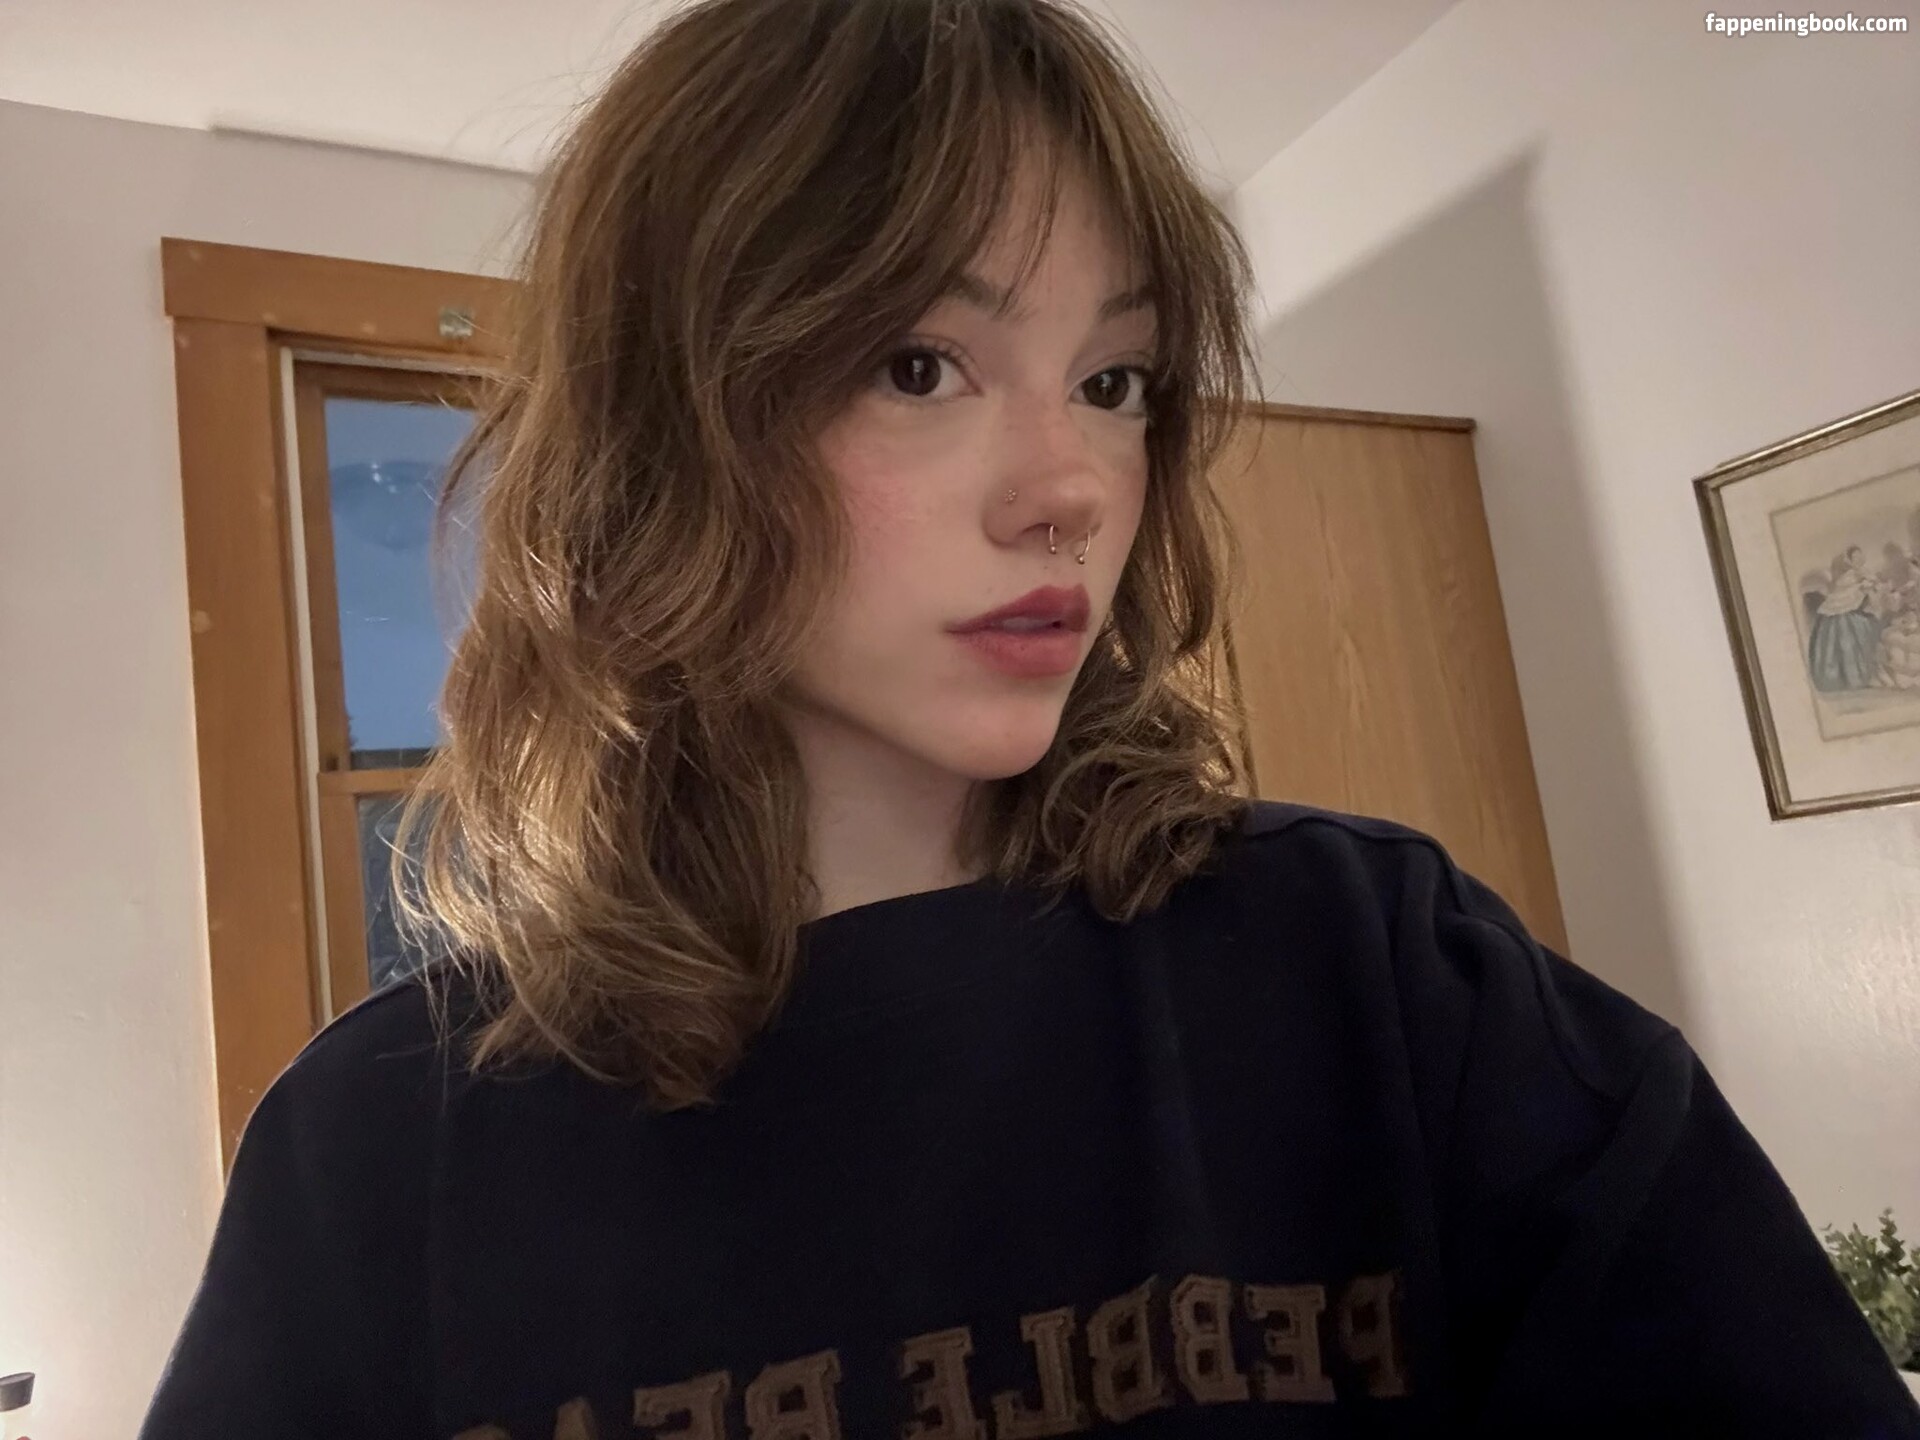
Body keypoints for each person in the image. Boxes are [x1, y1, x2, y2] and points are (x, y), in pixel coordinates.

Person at [140, 1, 1920, 1436]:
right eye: (920, 366)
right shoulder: (376, 1161)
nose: (1071, 486)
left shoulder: (1390, 979)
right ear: (664, 434)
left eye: (1114, 379)